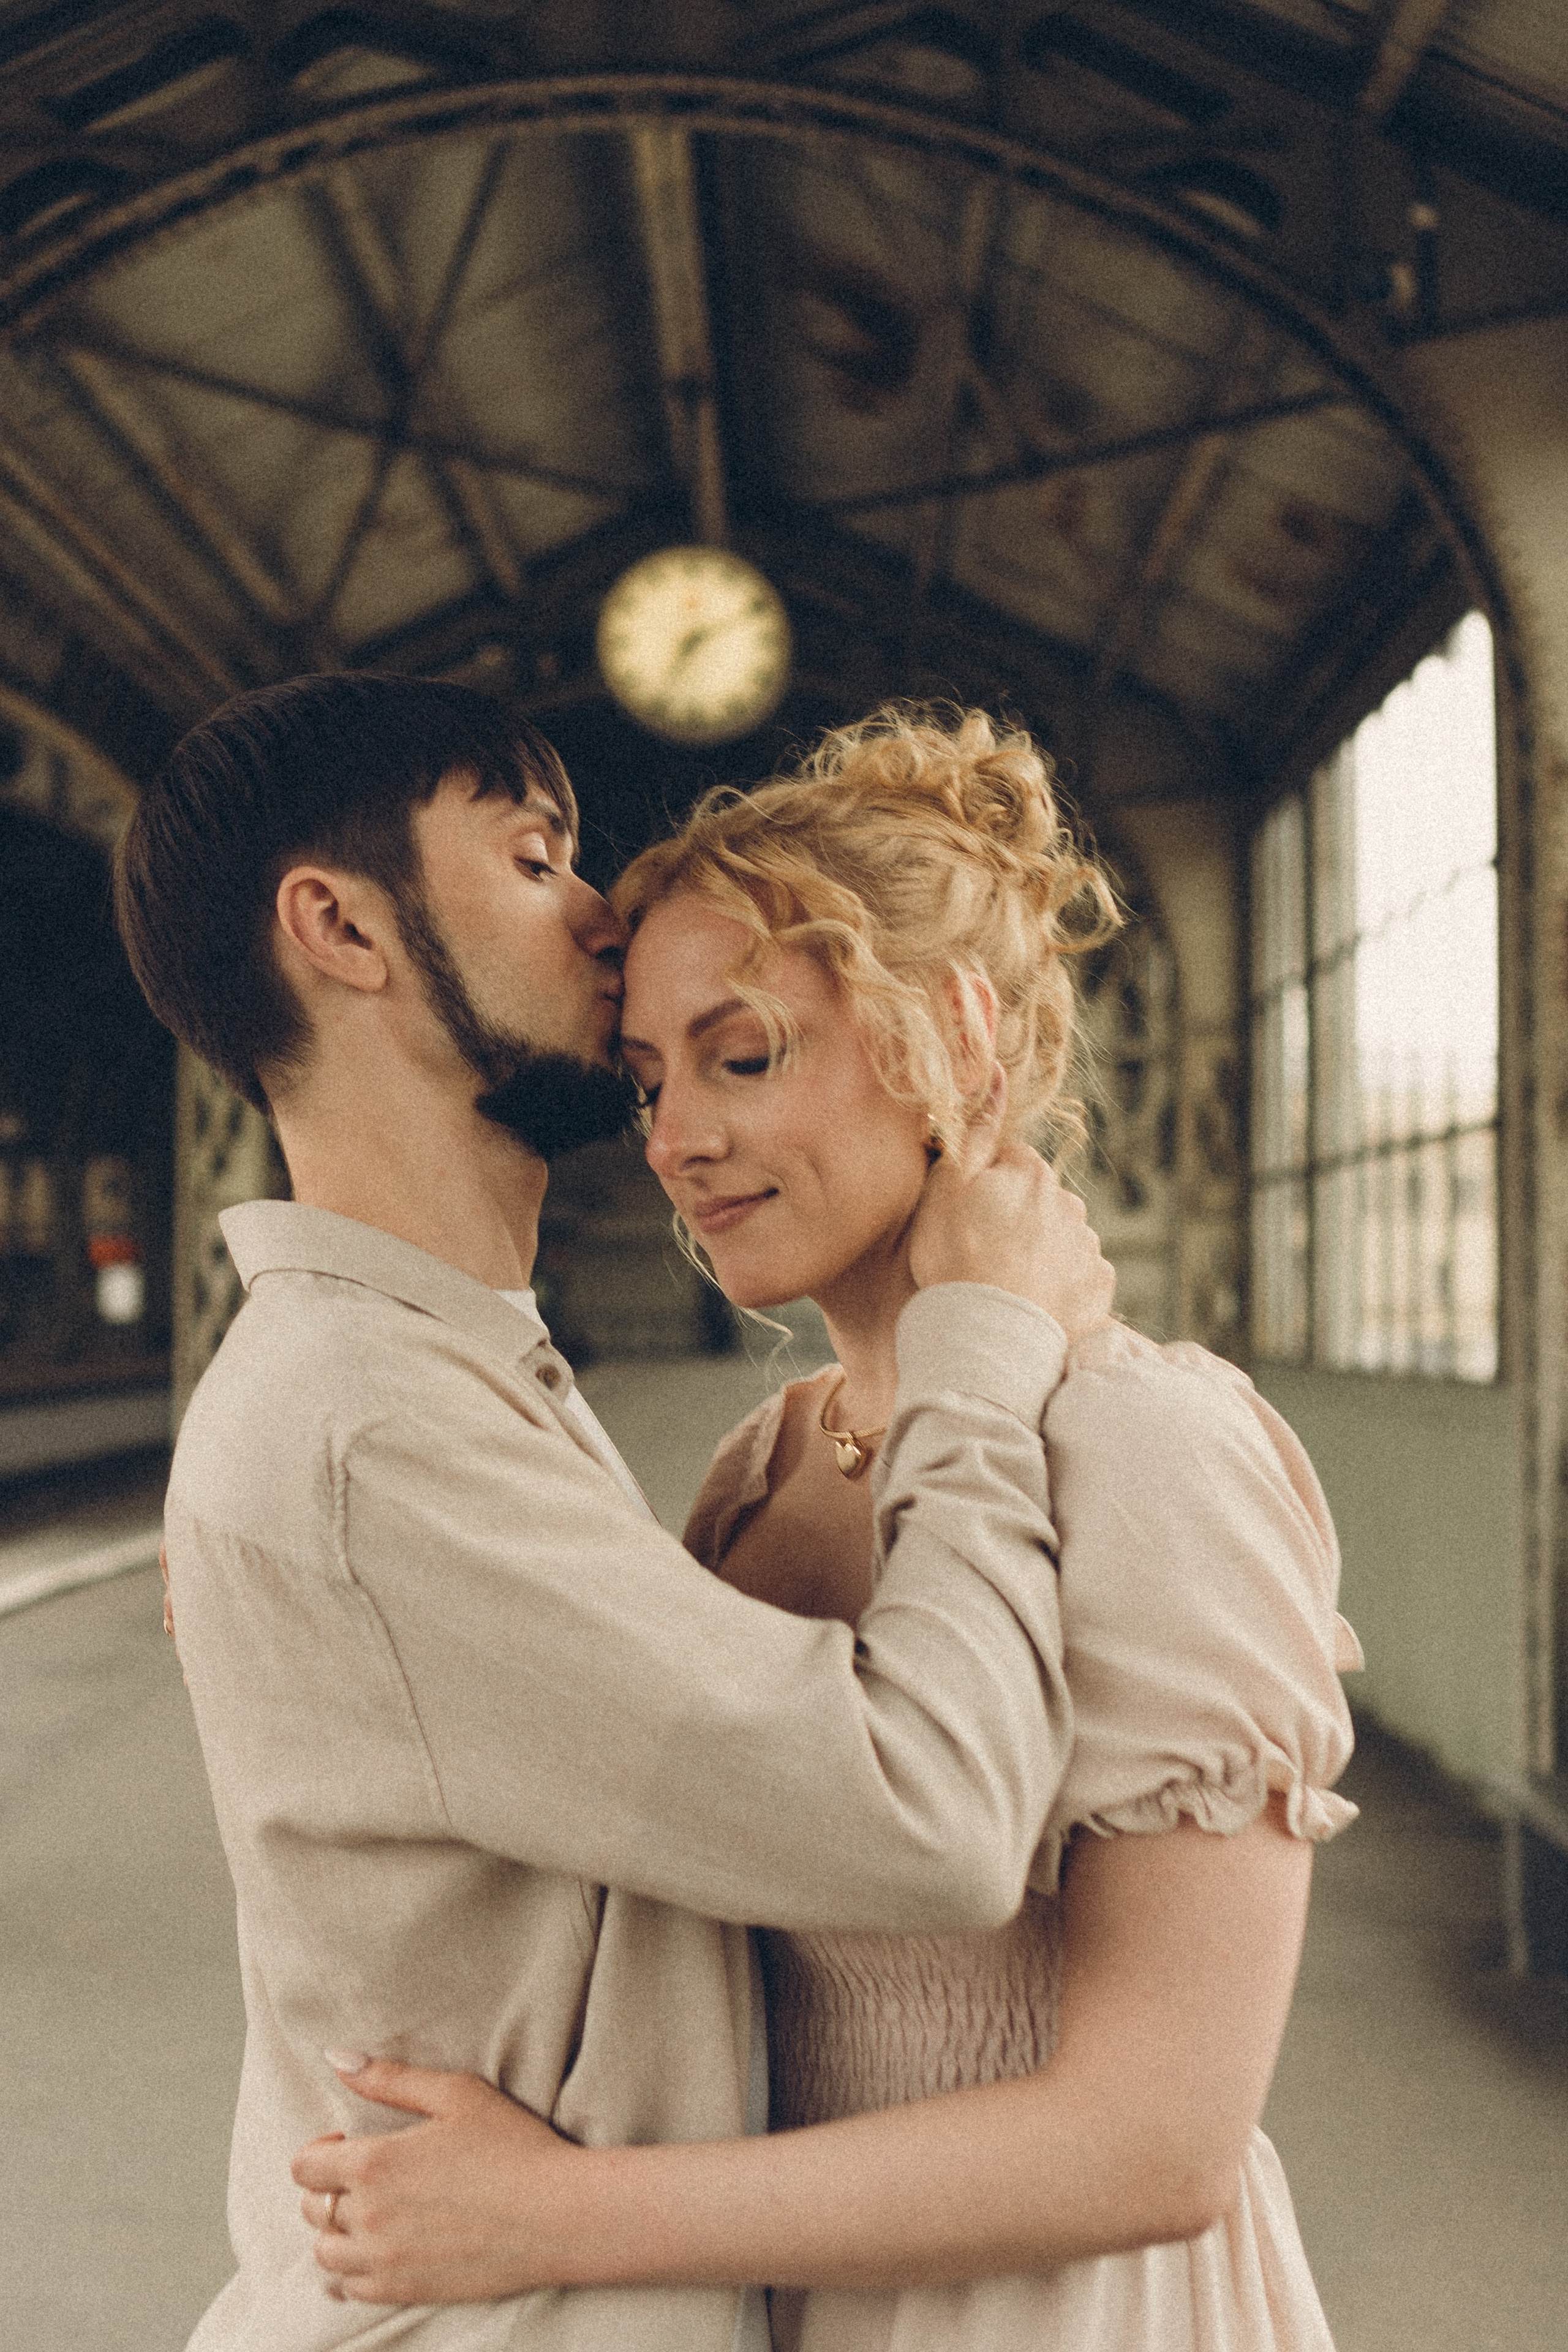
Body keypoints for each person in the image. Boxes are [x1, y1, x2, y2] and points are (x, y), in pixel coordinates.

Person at [292, 707, 1360, 2351]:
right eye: (648, 1078)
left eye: (744, 1056)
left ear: (956, 1042)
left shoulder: (1154, 1447)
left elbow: (1158, 2144)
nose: (675, 1141)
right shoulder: (761, 1464)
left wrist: (556, 2217)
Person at [116, 673, 1119, 2352]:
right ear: (340, 930)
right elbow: (931, 1818)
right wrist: (987, 1348)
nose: (600, 915)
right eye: (532, 859)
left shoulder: (410, 1384)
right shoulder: (368, 1430)